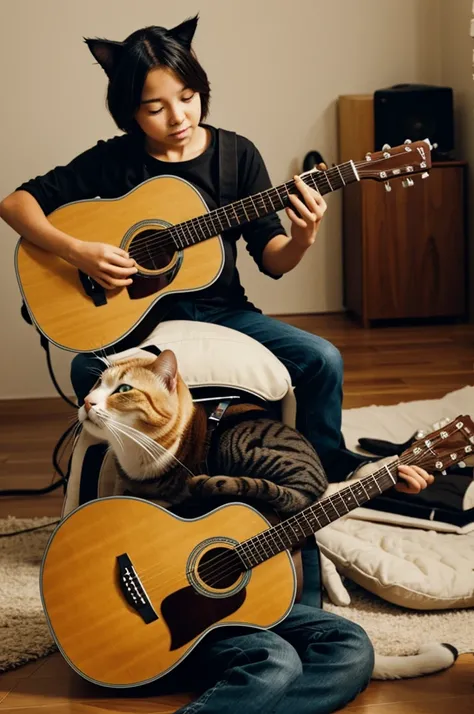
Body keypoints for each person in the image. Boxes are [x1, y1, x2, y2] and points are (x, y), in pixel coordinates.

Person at [0, 15, 435, 713]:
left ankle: (325, 473)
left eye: (188, 97)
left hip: (223, 308)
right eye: (154, 105)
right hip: (139, 323)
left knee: (320, 357)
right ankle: (130, 506)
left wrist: (306, 232)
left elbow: (274, 260)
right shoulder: (113, 163)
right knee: (91, 377)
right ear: (128, 110)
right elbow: (15, 203)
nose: (176, 116)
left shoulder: (237, 157)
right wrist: (80, 252)